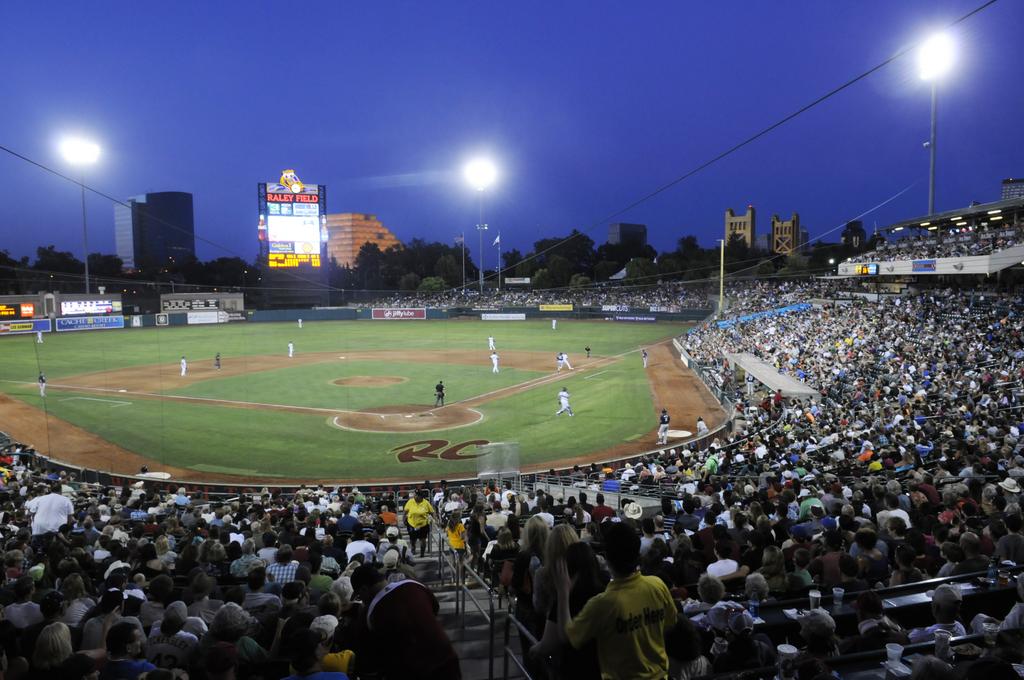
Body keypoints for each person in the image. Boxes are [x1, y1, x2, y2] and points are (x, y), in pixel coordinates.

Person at [554, 521, 678, 680]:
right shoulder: (657, 585)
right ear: (637, 554)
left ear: (607, 558)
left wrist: (563, 592)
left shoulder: (602, 604)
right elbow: (670, 624)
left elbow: (567, 637)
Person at [350, 565, 460, 679]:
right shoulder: (415, 585)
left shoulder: (368, 615)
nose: (361, 600)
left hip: (412, 672)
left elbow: (371, 663)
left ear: (364, 589)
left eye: (359, 596)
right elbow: (435, 608)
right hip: (447, 662)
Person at [404, 489, 434, 558]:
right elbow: (405, 511)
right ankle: (413, 549)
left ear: (420, 496)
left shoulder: (426, 503)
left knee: (423, 540)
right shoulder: (410, 501)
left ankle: (422, 553)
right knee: (412, 540)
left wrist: (434, 520)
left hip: (423, 525)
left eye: (416, 495)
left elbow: (432, 512)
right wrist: (404, 520)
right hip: (411, 524)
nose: (414, 496)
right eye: (415, 494)